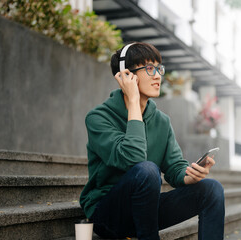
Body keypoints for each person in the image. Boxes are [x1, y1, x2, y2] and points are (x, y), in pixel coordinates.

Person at [80, 42, 224, 240]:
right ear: (126, 75)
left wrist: (189, 176)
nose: (158, 75)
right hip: (108, 215)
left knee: (212, 189)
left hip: (146, 209)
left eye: (159, 68)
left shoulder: (161, 121)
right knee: (146, 169)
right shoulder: (98, 118)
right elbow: (133, 159)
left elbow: (174, 167)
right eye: (149, 69)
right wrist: (132, 102)